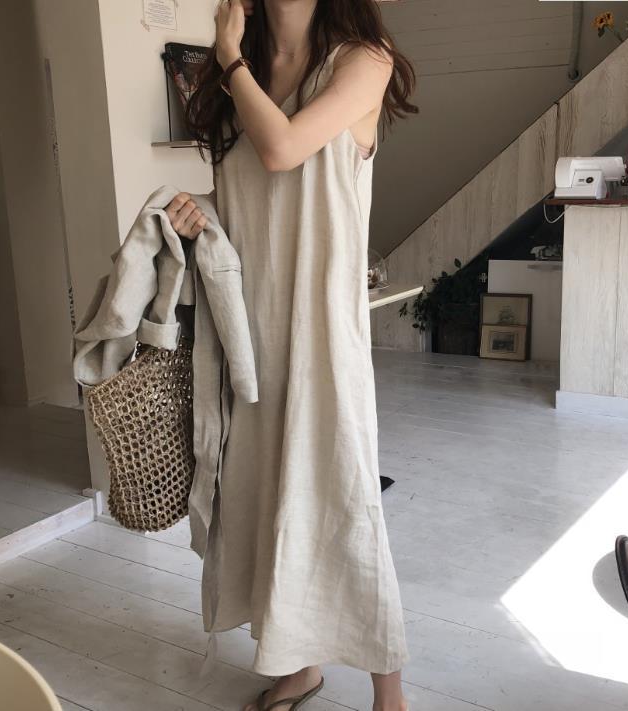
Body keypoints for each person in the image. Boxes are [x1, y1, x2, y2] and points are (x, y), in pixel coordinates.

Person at [164, 1, 418, 709]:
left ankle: (390, 693)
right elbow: (253, 191)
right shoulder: (238, 78)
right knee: (269, 493)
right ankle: (299, 662)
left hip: (322, 332)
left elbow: (283, 148)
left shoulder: (363, 60)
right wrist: (199, 209)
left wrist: (227, 56)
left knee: (342, 493)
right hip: (249, 331)